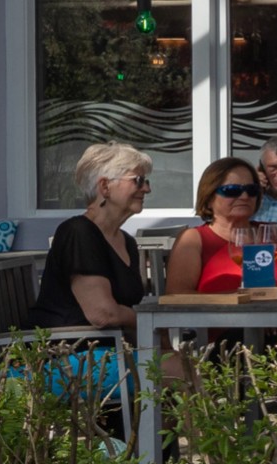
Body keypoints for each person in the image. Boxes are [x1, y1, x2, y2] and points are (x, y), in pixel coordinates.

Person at [29, 142, 181, 409]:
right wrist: (147, 322)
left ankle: (160, 439)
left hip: (109, 352)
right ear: (105, 187)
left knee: (180, 365)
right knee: (178, 371)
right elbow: (103, 314)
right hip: (67, 359)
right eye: (138, 180)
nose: (146, 189)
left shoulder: (126, 242)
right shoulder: (78, 232)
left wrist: (159, 339)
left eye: (146, 181)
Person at [166, 156, 277, 294]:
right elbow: (177, 295)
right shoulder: (194, 239)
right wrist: (237, 300)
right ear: (209, 198)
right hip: (225, 317)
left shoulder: (276, 233)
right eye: (232, 190)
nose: (245, 196)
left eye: (252, 190)